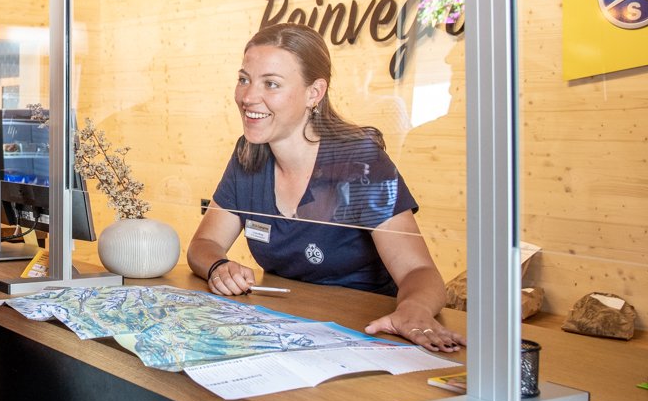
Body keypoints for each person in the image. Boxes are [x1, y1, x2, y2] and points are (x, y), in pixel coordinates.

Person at [186, 22, 463, 353]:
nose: (248, 97)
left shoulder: (359, 160)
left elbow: (420, 271)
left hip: (366, 333)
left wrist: (413, 310)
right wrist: (219, 267)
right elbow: (204, 244)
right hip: (289, 329)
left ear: (314, 93)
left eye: (271, 84)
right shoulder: (249, 154)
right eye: (244, 79)